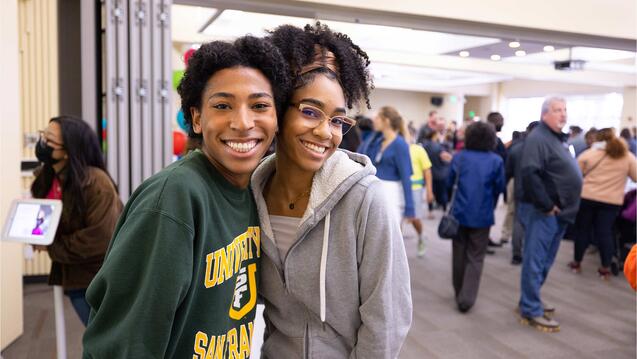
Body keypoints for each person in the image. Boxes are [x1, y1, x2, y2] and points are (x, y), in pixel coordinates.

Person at [82, 36, 290, 357]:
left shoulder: (253, 189)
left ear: (277, 119)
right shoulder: (173, 198)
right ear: (196, 118)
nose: (243, 123)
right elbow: (127, 342)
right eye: (222, 106)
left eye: (260, 105)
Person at [251, 23, 412, 358]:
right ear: (278, 106)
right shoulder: (252, 192)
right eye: (310, 112)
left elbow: (387, 322)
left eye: (338, 120)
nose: (326, 132)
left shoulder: (365, 199)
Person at [31, 115, 123, 326]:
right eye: (43, 135)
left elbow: (100, 238)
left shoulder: (96, 183)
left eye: (49, 139)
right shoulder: (47, 179)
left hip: (100, 280)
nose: (42, 142)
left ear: (68, 150)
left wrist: (52, 247)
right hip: (73, 277)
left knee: (105, 343)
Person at [517, 97, 582, 332]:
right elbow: (529, 174)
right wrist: (546, 205)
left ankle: (530, 299)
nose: (563, 114)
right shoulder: (539, 138)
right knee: (535, 261)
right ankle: (530, 307)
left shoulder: (556, 138)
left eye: (565, 110)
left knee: (545, 261)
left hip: (561, 212)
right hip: (546, 212)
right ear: (545, 114)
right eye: (557, 110)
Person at [447, 122, 505, 313]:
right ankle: (467, 299)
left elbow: (449, 183)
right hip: (482, 214)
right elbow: (499, 188)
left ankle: (459, 293)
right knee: (476, 257)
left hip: (459, 213)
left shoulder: (459, 157)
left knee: (459, 253)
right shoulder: (496, 161)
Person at [568, 128, 637, 279]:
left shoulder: (590, 154)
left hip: (587, 198)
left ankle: (577, 263)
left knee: (582, 231)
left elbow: (576, 175)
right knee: (605, 233)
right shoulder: (627, 156)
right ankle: (604, 268)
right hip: (612, 201)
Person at [363, 106, 415, 224]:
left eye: (377, 118)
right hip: (374, 191)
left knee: (389, 235)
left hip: (390, 193)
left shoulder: (400, 144)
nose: (373, 120)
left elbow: (406, 177)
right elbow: (363, 153)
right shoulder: (377, 141)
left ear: (386, 121)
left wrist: (410, 208)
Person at [506, 121, 540, 265]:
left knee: (518, 222)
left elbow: (508, 172)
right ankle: (531, 253)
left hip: (520, 190)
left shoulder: (516, 148)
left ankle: (516, 254)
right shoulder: (545, 149)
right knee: (536, 224)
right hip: (539, 193)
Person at [408, 128, 434, 256]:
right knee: (396, 220)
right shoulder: (398, 149)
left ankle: (421, 236)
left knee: (414, 218)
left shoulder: (419, 150)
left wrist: (429, 190)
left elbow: (427, 171)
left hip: (415, 189)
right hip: (400, 188)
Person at [421, 130, 452, 212]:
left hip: (429, 173)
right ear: (434, 135)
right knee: (442, 192)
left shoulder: (424, 145)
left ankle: (430, 210)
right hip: (440, 173)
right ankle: (444, 209)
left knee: (430, 190)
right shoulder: (438, 146)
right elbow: (445, 156)